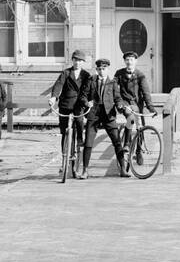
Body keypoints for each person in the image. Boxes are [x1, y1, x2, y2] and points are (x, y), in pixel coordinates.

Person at [49, 50, 91, 179]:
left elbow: (89, 90)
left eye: (80, 60)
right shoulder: (66, 72)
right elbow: (58, 85)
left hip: (78, 104)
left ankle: (79, 140)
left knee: (79, 121)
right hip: (65, 104)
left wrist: (89, 102)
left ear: (83, 62)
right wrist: (54, 98)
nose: (77, 63)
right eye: (75, 60)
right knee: (64, 132)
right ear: (72, 60)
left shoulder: (86, 75)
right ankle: (64, 159)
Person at [86, 57, 129, 178]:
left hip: (108, 115)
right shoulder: (91, 81)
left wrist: (120, 105)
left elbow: (118, 98)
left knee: (117, 142)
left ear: (108, 69)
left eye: (104, 69)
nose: (101, 71)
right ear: (96, 69)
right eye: (99, 69)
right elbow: (84, 95)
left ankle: (123, 169)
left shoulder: (113, 82)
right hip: (94, 115)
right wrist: (86, 103)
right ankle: (84, 170)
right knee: (88, 142)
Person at [115, 51, 157, 166]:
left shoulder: (140, 75)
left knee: (140, 128)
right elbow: (114, 89)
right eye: (127, 60)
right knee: (130, 117)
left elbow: (146, 92)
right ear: (124, 61)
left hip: (137, 105)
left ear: (136, 61)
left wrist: (151, 108)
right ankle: (127, 144)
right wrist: (119, 102)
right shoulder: (119, 74)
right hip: (124, 103)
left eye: (131, 60)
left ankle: (139, 150)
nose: (129, 62)